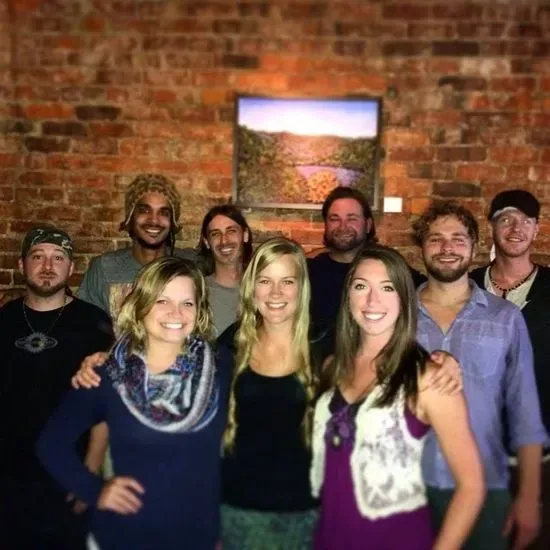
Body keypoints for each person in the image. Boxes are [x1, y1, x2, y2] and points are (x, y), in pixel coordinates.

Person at [37, 256, 228, 550]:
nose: (176, 312)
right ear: (141, 305)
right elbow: (51, 444)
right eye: (162, 300)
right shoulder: (110, 373)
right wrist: (95, 490)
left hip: (196, 536)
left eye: (187, 303)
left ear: (199, 310)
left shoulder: (220, 368)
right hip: (125, 536)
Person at [311, 245, 484, 549]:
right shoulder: (331, 367)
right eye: (361, 286)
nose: (372, 300)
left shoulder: (427, 378)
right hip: (329, 537)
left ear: (404, 298)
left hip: (396, 538)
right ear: (348, 296)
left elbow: (471, 487)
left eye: (387, 287)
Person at [413, 200, 548, 550]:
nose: (447, 248)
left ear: (474, 248)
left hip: (487, 489)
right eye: (436, 239)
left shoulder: (505, 318)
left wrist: (528, 497)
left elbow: (526, 413)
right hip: (406, 490)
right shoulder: (398, 315)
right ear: (421, 247)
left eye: (458, 239)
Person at [0, 226, 113, 549]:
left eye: (58, 258)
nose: (48, 266)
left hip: (68, 475)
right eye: (38, 257)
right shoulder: (4, 320)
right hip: (9, 480)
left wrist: (89, 472)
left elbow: (104, 406)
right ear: (21, 264)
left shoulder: (93, 323)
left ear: (71, 267)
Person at [219, 237, 321, 549]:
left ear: (301, 287)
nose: (276, 293)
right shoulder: (231, 344)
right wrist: (105, 360)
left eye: (287, 281)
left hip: (308, 514)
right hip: (238, 510)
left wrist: (439, 363)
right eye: (265, 281)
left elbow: (381, 361)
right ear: (252, 287)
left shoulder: (325, 344)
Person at [470, 189, 550, 550]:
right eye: (506, 220)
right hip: (473, 456)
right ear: (491, 226)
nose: (516, 229)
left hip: (539, 458)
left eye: (525, 221)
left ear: (536, 228)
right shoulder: (466, 286)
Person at [308, 186, 426, 347]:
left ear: (368, 225)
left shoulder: (385, 267)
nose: (342, 226)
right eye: (334, 219)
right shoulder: (310, 270)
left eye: (352, 219)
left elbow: (427, 291)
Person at [78, 173, 195, 319]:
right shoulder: (104, 268)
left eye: (164, 213)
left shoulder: (190, 266)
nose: (154, 220)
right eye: (144, 210)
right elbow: (85, 324)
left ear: (173, 222)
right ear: (130, 217)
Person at [197, 204, 253, 337]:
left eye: (231, 231)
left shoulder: (262, 289)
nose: (224, 240)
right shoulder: (198, 292)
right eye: (215, 234)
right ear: (206, 242)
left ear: (245, 235)